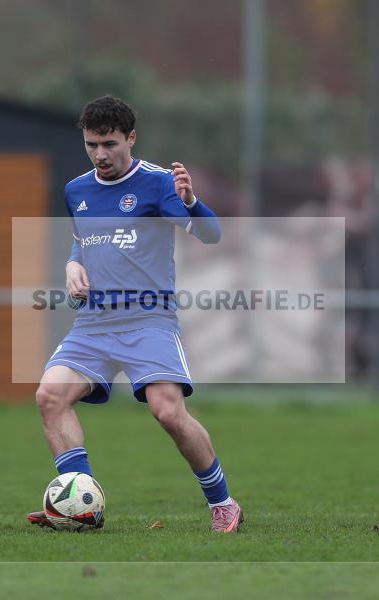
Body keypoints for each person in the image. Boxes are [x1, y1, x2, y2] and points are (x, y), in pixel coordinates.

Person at [27, 96, 243, 532]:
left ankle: (223, 503)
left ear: (131, 138)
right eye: (91, 145)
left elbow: (212, 234)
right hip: (95, 322)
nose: (100, 155)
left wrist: (191, 200)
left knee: (167, 411)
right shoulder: (77, 190)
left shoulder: (160, 184)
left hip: (149, 321)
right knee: (50, 396)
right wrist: (73, 264)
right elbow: (81, 240)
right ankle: (78, 502)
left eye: (109, 144)